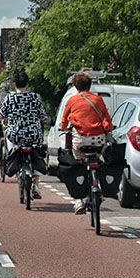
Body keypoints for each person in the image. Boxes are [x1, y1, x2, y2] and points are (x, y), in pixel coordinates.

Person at [59, 71, 115, 213]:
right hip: (98, 139)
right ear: (89, 86)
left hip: (80, 140)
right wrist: (109, 127)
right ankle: (98, 186)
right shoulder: (98, 100)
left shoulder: (72, 100)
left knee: (78, 164)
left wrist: (63, 128)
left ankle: (78, 200)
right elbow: (107, 119)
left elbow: (64, 120)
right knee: (97, 159)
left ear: (76, 87)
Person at [2, 72, 45, 200]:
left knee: (10, 144)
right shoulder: (34, 97)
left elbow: (1, 114)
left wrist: (0, 118)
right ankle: (36, 185)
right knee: (37, 155)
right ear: (27, 83)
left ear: (14, 84)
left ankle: (14, 161)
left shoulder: (10, 98)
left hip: (16, 134)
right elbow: (43, 115)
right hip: (33, 134)